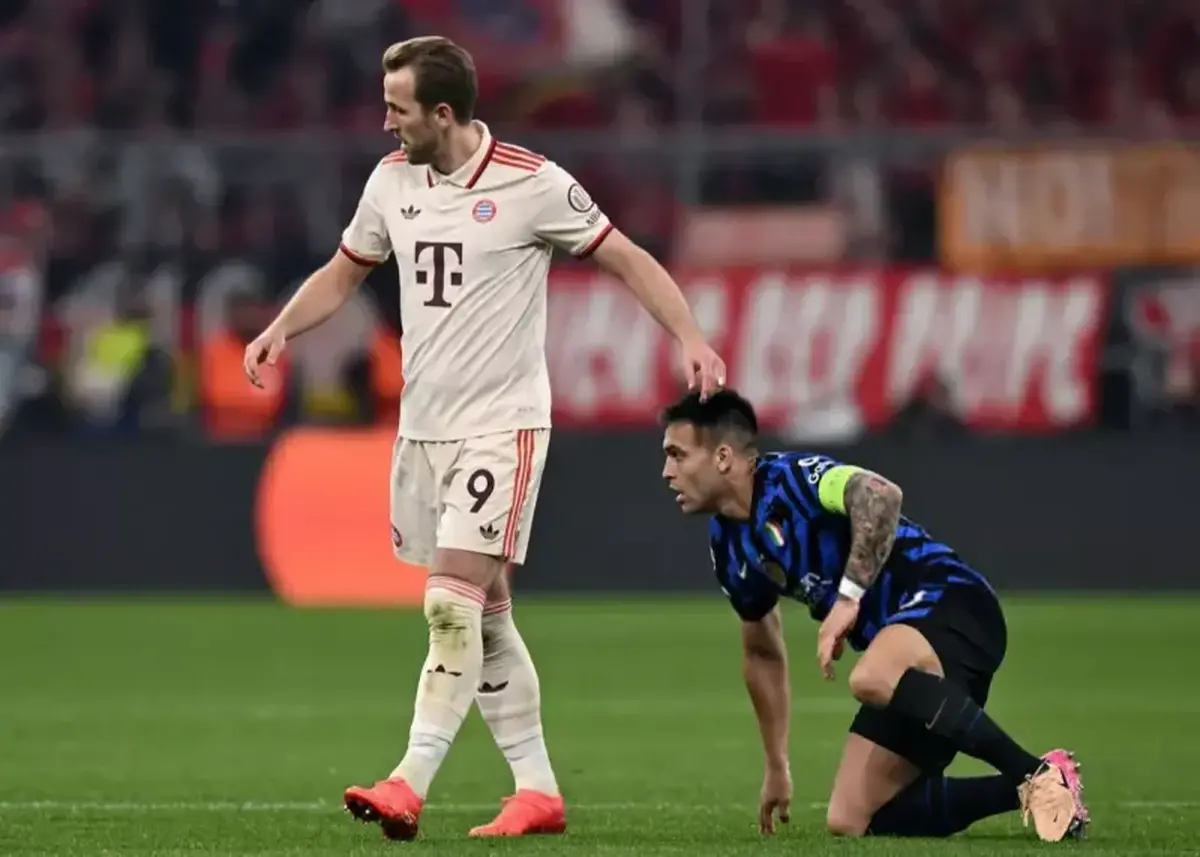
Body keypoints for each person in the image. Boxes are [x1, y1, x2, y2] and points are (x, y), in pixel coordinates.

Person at [243, 36, 725, 841]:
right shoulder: (391, 181)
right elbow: (345, 270)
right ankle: (538, 790)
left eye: (398, 108)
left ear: (442, 112)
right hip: (424, 427)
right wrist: (280, 329)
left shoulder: (532, 183)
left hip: (502, 426)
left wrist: (691, 338)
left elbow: (626, 258)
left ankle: (409, 779)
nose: (386, 122)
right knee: (486, 613)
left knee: (448, 600)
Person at [659, 389, 1089, 843]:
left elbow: (881, 495)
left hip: (953, 601)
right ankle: (1042, 782)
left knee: (870, 677)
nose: (667, 472)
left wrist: (848, 598)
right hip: (907, 662)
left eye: (677, 455)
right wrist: (776, 765)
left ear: (723, 457)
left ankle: (1032, 775)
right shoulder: (728, 546)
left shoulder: (791, 480)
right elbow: (762, 653)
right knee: (852, 818)